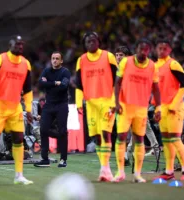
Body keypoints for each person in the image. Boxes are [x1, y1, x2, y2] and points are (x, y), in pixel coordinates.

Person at [0, 35, 33, 186]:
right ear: (10, 44)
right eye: (17, 44)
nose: (19, 46)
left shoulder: (26, 64)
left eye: (21, 44)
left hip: (15, 108)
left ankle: (19, 175)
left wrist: (29, 109)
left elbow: (28, 90)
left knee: (18, 139)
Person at [113, 39, 161, 183]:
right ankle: (120, 172)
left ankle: (137, 174)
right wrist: (116, 102)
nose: (143, 51)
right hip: (124, 106)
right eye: (140, 48)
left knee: (139, 140)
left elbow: (156, 88)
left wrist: (158, 107)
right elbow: (117, 83)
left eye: (145, 49)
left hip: (140, 108)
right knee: (121, 138)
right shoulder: (126, 63)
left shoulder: (152, 66)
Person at [75, 32, 118, 181]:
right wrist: (79, 102)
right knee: (98, 137)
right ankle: (103, 169)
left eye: (93, 40)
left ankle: (106, 169)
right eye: (88, 42)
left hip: (107, 102)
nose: (91, 43)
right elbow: (79, 84)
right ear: (85, 44)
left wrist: (115, 101)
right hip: (91, 103)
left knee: (106, 133)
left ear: (99, 41)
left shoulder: (109, 56)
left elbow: (116, 81)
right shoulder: (81, 60)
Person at [154, 39, 184, 180]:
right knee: (167, 141)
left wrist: (174, 104)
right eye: (159, 48)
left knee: (175, 139)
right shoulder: (155, 67)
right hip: (163, 109)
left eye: (165, 48)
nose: (162, 50)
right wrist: (157, 109)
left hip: (175, 108)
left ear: (169, 50)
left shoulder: (173, 64)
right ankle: (169, 171)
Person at [34, 51, 71, 168]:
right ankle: (45, 159)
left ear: (61, 61)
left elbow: (64, 86)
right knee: (43, 129)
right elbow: (40, 83)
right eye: (53, 58)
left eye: (57, 59)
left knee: (63, 131)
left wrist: (48, 83)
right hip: (49, 104)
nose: (54, 60)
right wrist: (55, 83)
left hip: (62, 105)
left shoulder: (65, 72)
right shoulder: (47, 71)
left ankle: (63, 159)